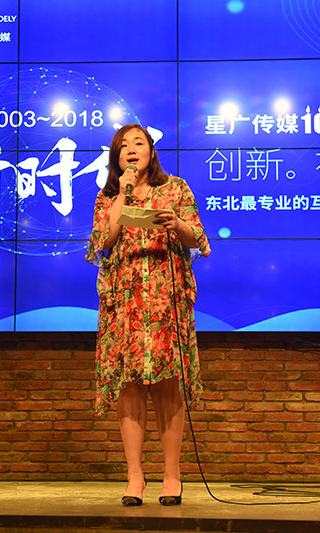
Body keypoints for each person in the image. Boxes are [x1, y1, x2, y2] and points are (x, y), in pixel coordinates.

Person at [85, 124, 210, 506]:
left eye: (138, 143)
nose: (131, 149)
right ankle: (135, 477)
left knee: (168, 386)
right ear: (116, 157)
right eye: (123, 146)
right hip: (125, 303)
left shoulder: (176, 188)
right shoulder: (108, 196)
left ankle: (172, 475)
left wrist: (177, 223)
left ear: (151, 152)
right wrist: (122, 195)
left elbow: (199, 239)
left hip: (165, 301)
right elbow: (101, 243)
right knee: (130, 387)